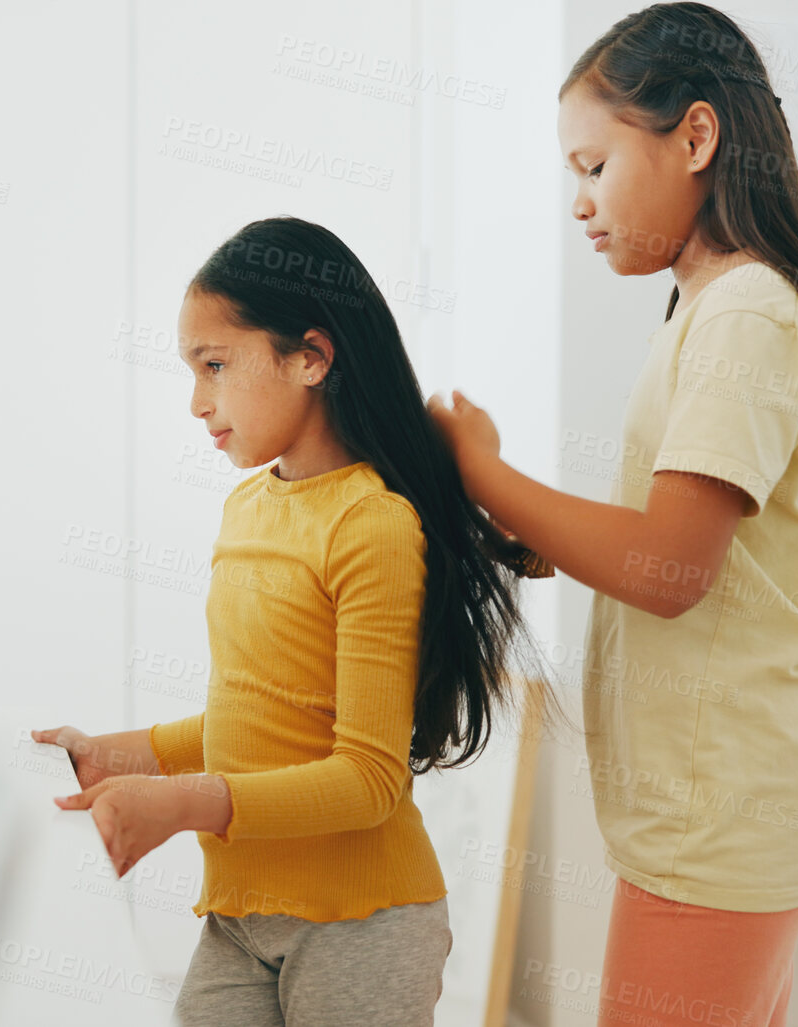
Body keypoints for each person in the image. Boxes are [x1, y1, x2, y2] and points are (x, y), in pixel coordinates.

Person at [427, 5, 798, 1025]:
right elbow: (690, 541)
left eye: (593, 166)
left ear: (697, 138)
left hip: (724, 811)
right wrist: (532, 537)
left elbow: (672, 570)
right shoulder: (724, 304)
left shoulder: (747, 312)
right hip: (730, 800)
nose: (578, 202)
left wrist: (485, 472)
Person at [34, 215, 557, 1026]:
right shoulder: (248, 506)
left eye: (214, 365)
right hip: (242, 915)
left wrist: (178, 805)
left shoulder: (371, 526)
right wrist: (110, 757)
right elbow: (259, 720)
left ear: (310, 356)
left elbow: (370, 780)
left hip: (361, 927)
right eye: (191, 371)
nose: (197, 401)